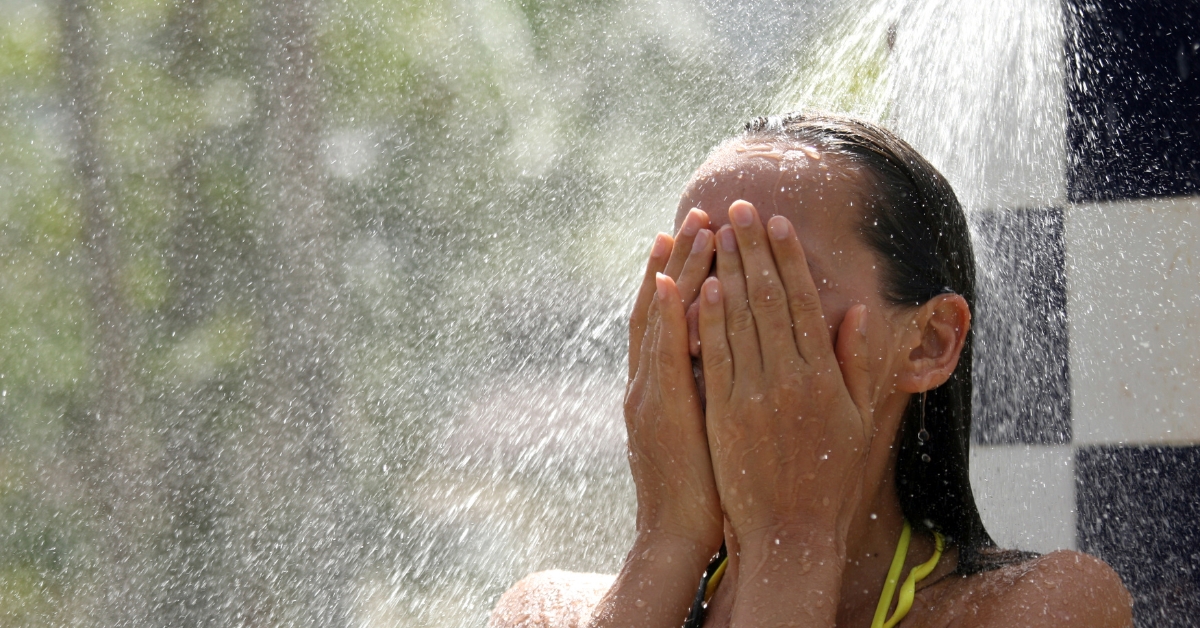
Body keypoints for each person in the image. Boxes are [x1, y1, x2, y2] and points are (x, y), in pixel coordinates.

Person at [488, 113, 1132, 628]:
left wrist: (790, 540)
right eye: (694, 270)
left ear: (930, 343)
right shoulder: (549, 613)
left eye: (772, 276)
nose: (711, 321)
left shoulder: (1040, 608)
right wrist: (666, 537)